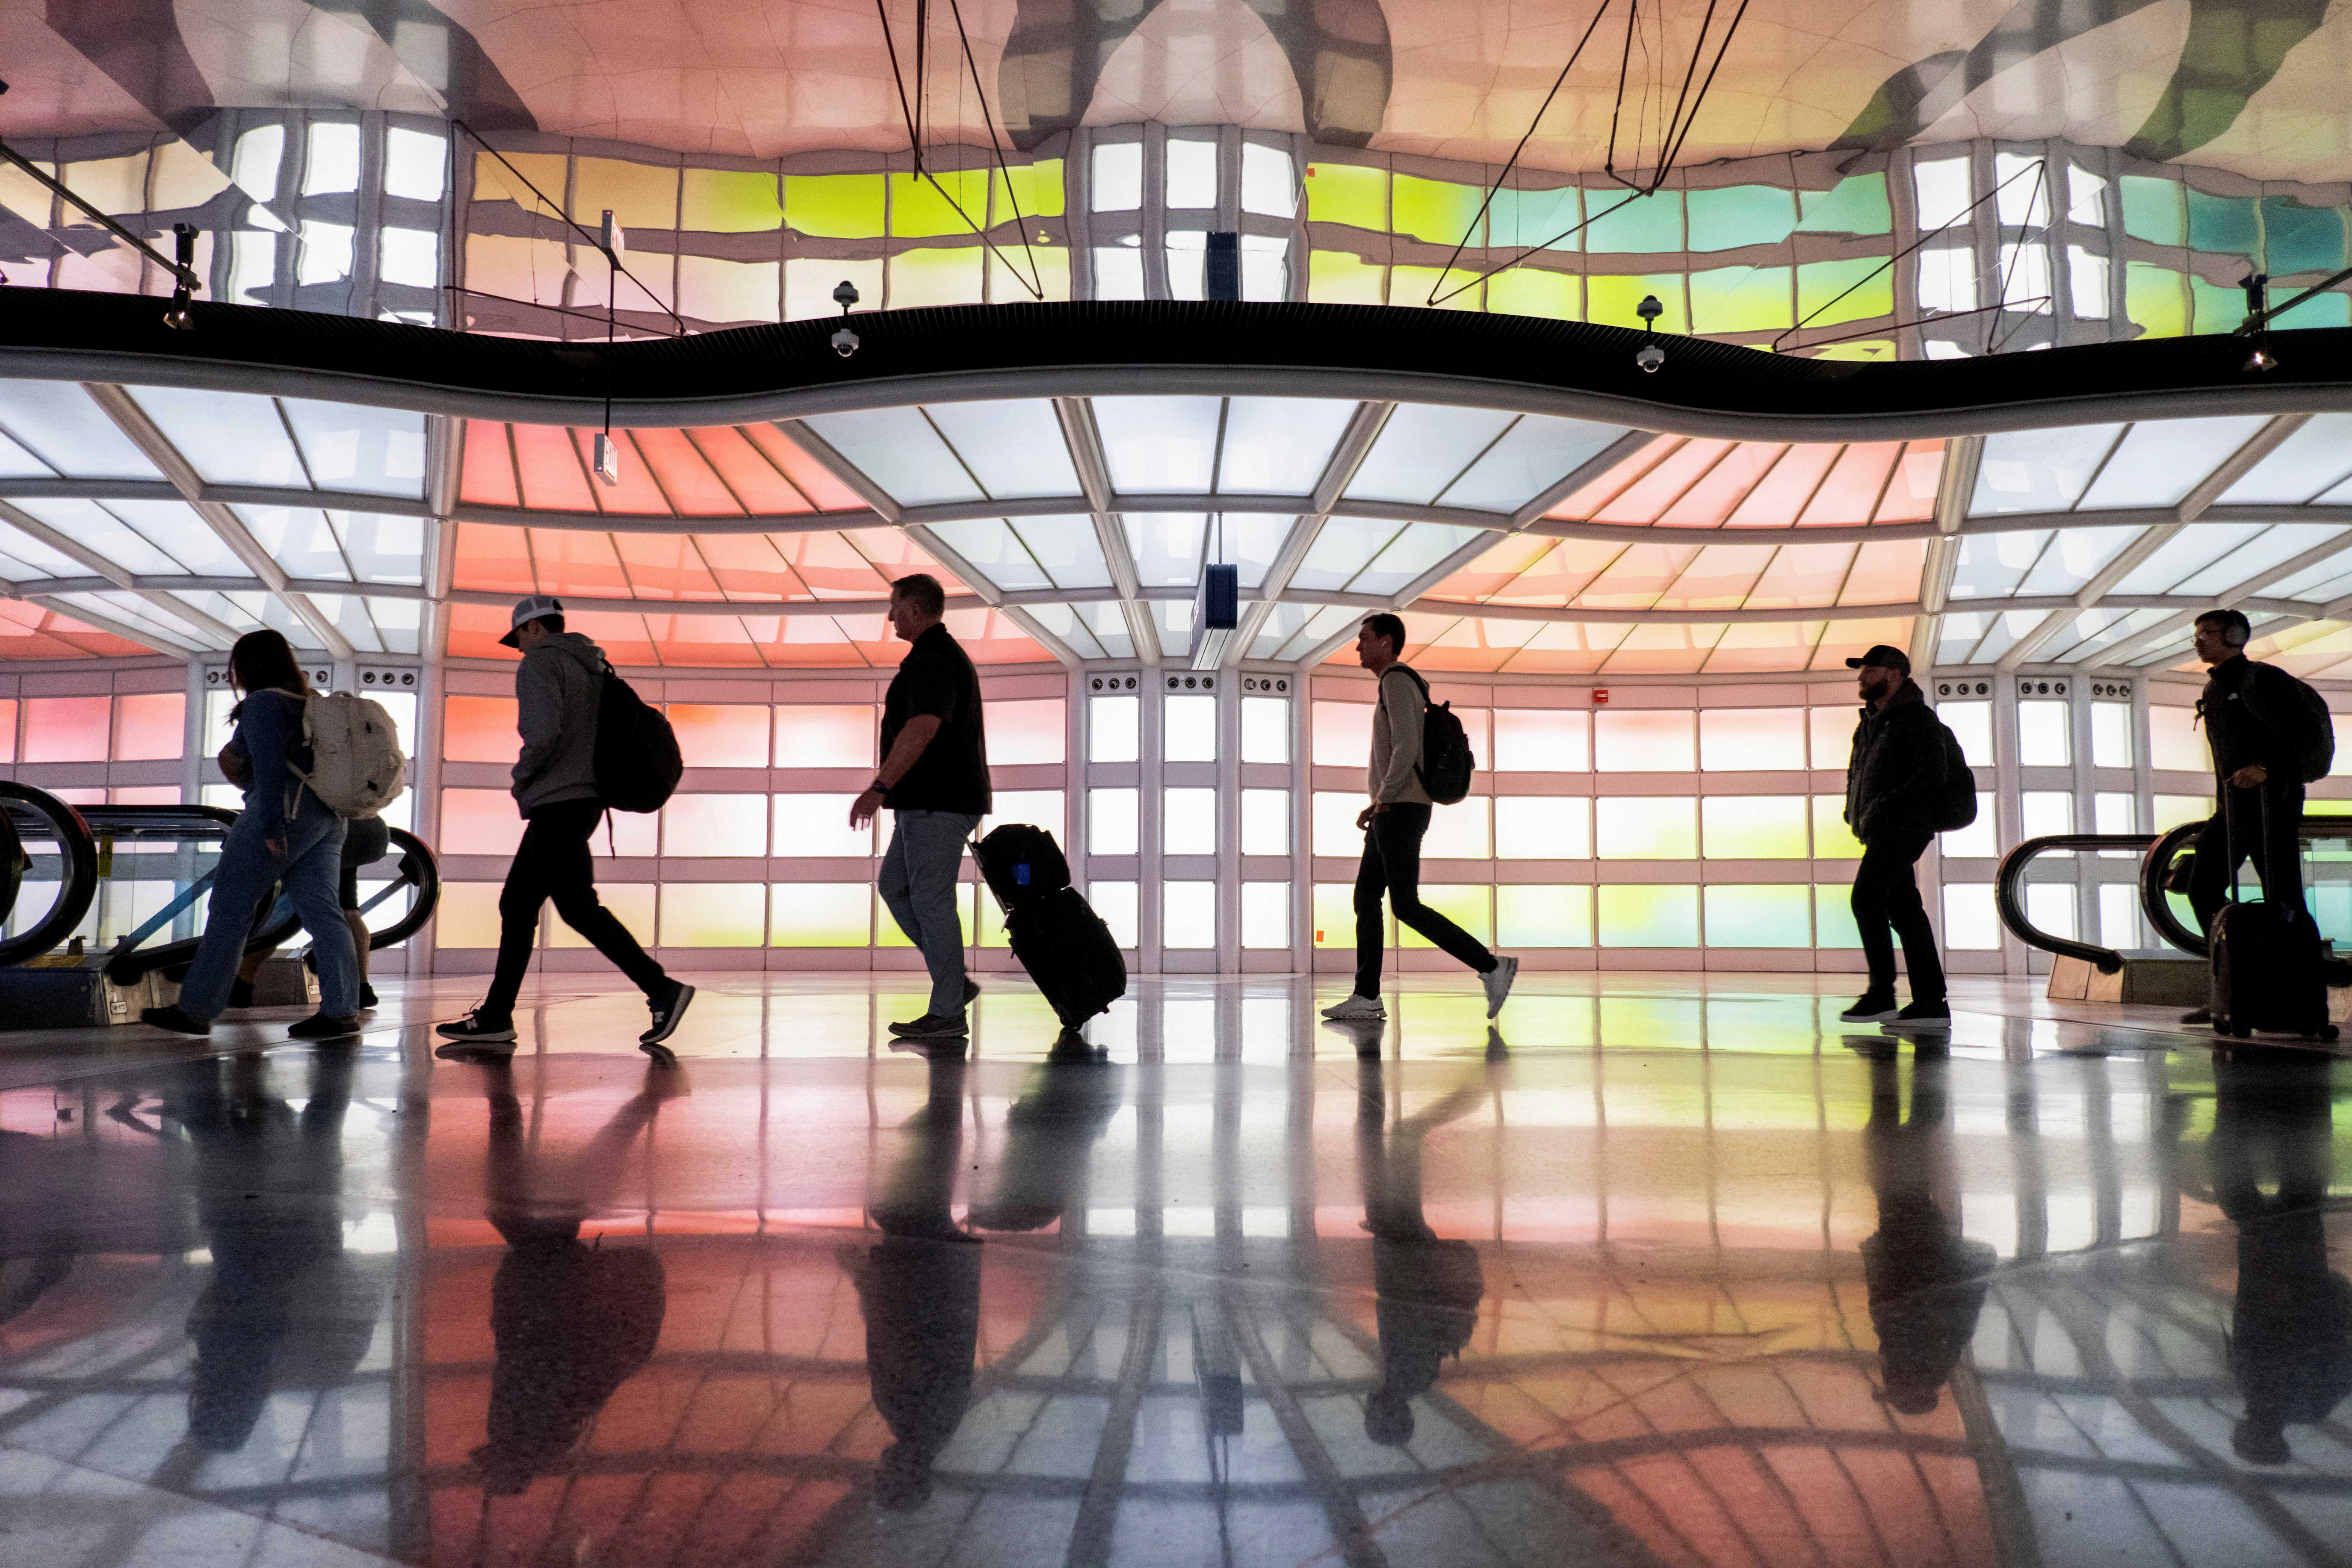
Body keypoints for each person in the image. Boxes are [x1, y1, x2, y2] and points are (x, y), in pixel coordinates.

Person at [438, 595, 693, 1054]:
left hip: (558, 801)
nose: (517, 647)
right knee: (518, 904)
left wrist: (520, 780)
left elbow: (542, 734)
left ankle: (661, 988)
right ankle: (496, 1015)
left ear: (534, 628)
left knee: (575, 907)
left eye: (518, 636)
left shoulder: (540, 665)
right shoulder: (593, 668)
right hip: (586, 800)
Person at [142, 629, 363, 1040]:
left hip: (283, 812)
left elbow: (269, 766)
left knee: (230, 909)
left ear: (249, 666)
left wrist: (272, 826)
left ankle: (196, 1009)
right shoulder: (310, 703)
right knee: (324, 914)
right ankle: (341, 1010)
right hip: (329, 818)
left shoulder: (264, 703)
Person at [1321, 614, 1516, 1027]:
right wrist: (1376, 804)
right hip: (1391, 810)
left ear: (1386, 642)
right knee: (1366, 899)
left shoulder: (1395, 680)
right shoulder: (1397, 682)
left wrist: (1384, 800)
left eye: (1364, 639)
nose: (1358, 647)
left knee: (1405, 905)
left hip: (1401, 811)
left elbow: (1407, 746)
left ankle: (1491, 966)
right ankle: (1367, 996)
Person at [851, 574, 991, 1043]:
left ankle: (948, 1011)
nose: (890, 616)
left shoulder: (933, 660)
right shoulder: (934, 657)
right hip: (925, 803)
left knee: (930, 900)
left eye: (894, 607)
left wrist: (878, 787)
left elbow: (923, 727)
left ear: (914, 610)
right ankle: (954, 983)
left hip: (937, 802)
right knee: (896, 887)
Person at [2180, 609, 2326, 1027]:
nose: (2197, 641)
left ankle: (2298, 1002)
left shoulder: (2263, 680)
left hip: (2272, 807)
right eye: (2196, 634)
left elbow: (2304, 737)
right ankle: (2236, 982)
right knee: (2202, 888)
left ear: (2234, 635)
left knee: (2286, 903)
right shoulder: (2213, 689)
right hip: (2232, 809)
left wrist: (2266, 766)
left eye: (2205, 633)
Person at [2210, 1045, 2352, 1465]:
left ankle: (2299, 1092)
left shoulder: (2303, 1403)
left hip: (2295, 1272)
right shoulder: (2283, 1396)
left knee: (2297, 1182)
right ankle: (2242, 1089)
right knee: (2259, 1181)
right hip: (2282, 1269)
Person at [1853, 1039, 1994, 1415]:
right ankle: (1912, 1058)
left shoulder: (1935, 1352)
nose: (1886, 1378)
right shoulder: (1921, 1351)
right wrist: (1875, 1255)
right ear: (1907, 1386)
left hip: (1914, 1233)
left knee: (1897, 1136)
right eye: (1892, 1386)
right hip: (1910, 1235)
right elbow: (1889, 1300)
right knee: (1893, 1138)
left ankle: (1912, 1058)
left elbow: (1887, 1301)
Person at [1839, 644, 1954, 1031]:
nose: (1861, 676)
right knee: (1904, 911)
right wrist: (1854, 810)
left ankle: (1882, 995)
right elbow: (1859, 773)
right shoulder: (1872, 722)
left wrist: (1883, 806)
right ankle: (1929, 1003)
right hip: (1880, 828)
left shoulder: (1917, 720)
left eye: (1868, 669)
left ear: (1893, 673)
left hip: (1904, 826)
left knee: (1865, 898)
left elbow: (1931, 776)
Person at [222, 763, 389, 1011]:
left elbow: (239, 765)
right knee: (345, 909)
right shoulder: (333, 730)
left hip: (310, 819)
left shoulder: (276, 728)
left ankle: (241, 985)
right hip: (362, 823)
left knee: (276, 908)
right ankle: (361, 988)